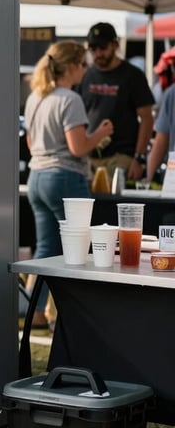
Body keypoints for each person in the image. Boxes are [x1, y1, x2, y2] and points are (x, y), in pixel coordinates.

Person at [25, 41, 114, 328]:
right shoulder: (70, 99)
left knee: (46, 248)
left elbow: (30, 143)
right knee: (79, 250)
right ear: (73, 66)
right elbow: (78, 148)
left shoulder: (36, 97)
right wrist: (100, 133)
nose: (86, 70)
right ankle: (74, 317)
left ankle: (33, 311)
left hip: (37, 176)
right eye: (84, 64)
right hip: (65, 177)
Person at [79, 22, 154, 182]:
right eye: (93, 48)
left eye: (103, 47)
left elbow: (147, 118)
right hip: (89, 155)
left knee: (113, 197)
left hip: (121, 155)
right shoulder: (85, 75)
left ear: (115, 45)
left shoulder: (133, 75)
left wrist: (139, 157)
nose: (98, 53)